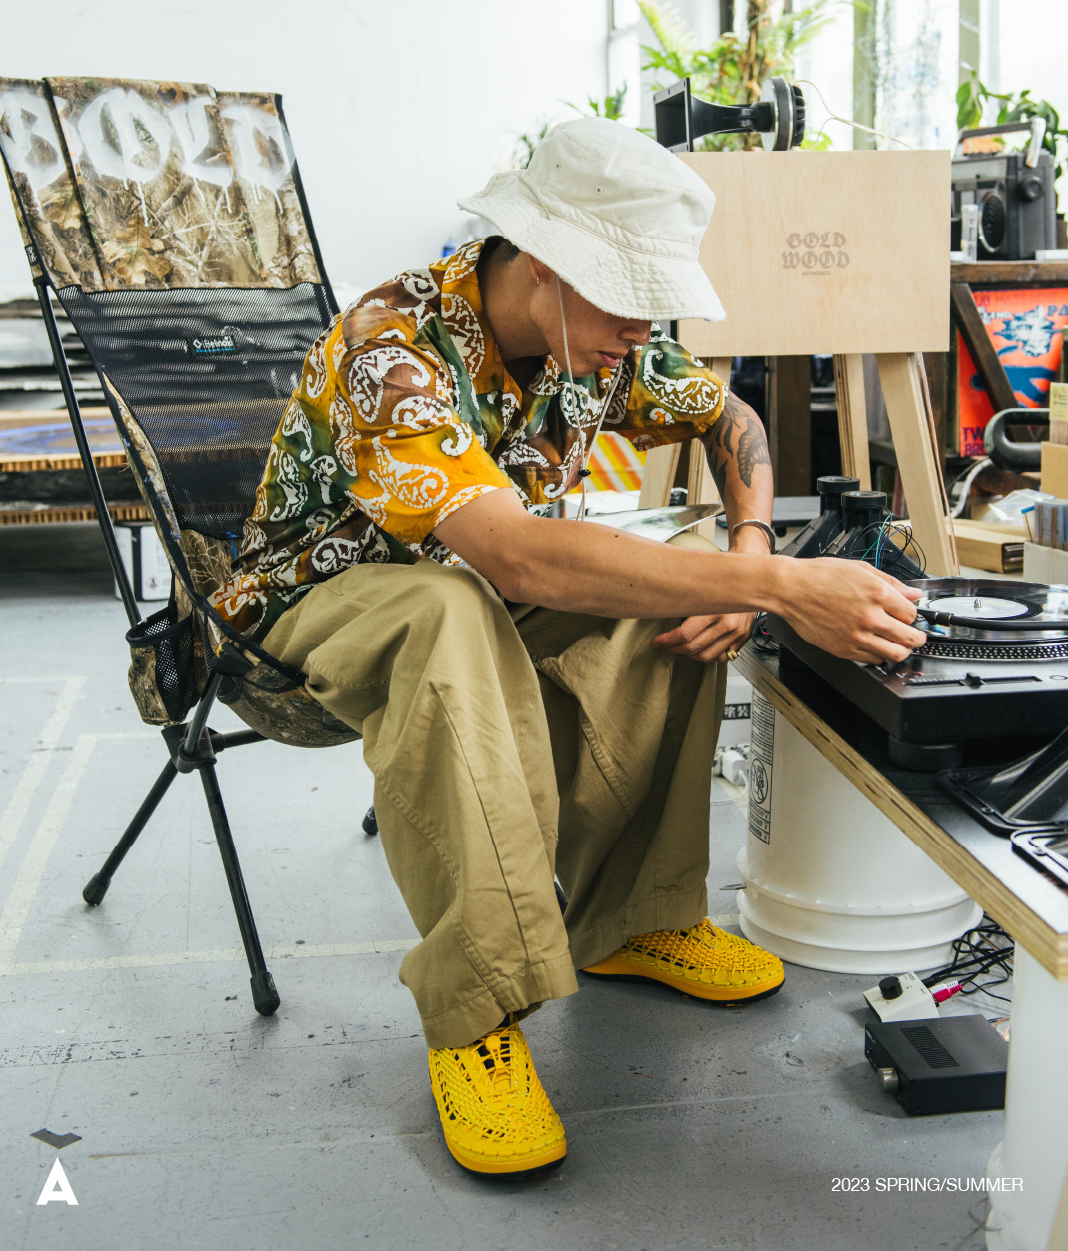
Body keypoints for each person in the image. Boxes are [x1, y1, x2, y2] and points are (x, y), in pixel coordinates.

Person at [211, 118, 925, 1178]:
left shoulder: (591, 341)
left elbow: (730, 419)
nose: (643, 327)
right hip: (307, 603)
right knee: (447, 611)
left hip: (467, 589)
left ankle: (632, 916)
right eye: (627, 295)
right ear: (543, 260)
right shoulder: (389, 347)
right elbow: (517, 560)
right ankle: (475, 1012)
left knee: (683, 569)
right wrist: (779, 587)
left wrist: (748, 546)